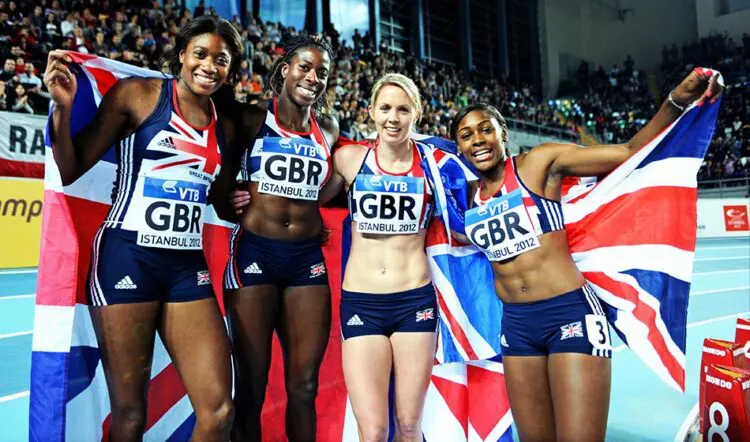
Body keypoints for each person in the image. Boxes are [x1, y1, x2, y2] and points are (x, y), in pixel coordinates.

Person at [450, 68, 722, 441]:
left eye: (486, 129)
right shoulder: (465, 198)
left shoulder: (538, 163)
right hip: (517, 327)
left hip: (569, 314)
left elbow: (627, 153)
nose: (478, 140)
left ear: (503, 134)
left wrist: (676, 101)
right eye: (466, 135)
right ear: (459, 147)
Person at [43, 15, 243, 440]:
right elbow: (71, 168)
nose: (209, 66)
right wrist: (62, 108)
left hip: (186, 268)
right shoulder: (139, 95)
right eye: (201, 54)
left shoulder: (224, 125)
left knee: (219, 411)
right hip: (126, 259)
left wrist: (248, 200)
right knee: (131, 417)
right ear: (182, 55)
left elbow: (220, 199)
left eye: (221, 60)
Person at [211, 34, 339, 442]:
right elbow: (218, 181)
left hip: (306, 261)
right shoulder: (251, 119)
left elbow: (337, 180)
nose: (313, 77)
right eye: (305, 67)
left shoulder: (328, 129)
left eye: (322, 72)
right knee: (251, 387)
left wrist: (313, 211)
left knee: (305, 387)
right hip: (255, 253)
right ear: (285, 70)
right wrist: (230, 198)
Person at [324, 73, 438, 441]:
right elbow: (307, 200)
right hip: (362, 302)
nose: (393, 118)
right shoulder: (349, 159)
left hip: (414, 301)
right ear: (371, 111)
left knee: (409, 425)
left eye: (403, 110)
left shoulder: (434, 165)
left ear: (416, 114)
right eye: (385, 108)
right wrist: (243, 193)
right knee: (373, 431)